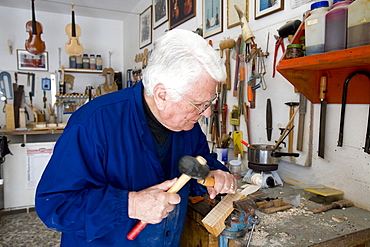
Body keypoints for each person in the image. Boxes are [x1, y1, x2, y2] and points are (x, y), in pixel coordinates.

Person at [35, 29, 237, 246]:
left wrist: (214, 174)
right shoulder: (93, 124)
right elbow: (55, 205)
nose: (207, 113)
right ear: (162, 95)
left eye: (210, 102)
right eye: (200, 104)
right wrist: (130, 205)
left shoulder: (188, 125)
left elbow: (200, 164)